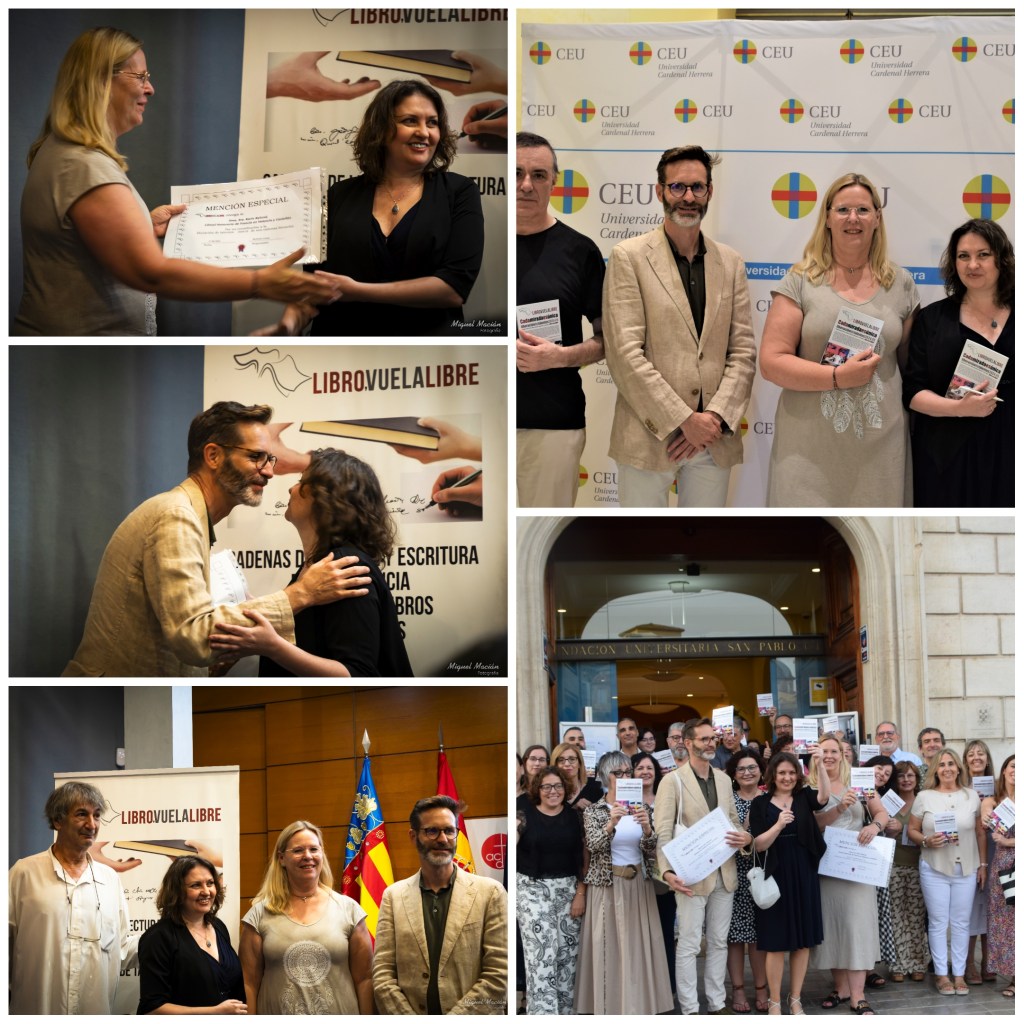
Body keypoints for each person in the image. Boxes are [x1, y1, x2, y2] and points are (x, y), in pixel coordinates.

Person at [14, 28, 339, 336]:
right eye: (140, 76)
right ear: (99, 80)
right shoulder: (82, 164)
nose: (150, 88)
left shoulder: (66, 154)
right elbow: (148, 272)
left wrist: (142, 225)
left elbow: (86, 243)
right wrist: (258, 283)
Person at [62, 402, 368, 676]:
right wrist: (300, 594)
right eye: (256, 457)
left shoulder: (190, 518)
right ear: (213, 455)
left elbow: (179, 641)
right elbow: (193, 636)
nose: (269, 472)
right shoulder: (176, 516)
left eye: (270, 459)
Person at [264, 79, 483, 337]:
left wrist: (357, 291)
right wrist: (288, 326)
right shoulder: (337, 196)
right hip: (341, 355)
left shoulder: (459, 192)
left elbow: (454, 289)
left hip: (428, 361)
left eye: (432, 122)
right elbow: (314, 288)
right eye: (410, 120)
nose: (424, 132)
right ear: (381, 129)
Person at [603, 145, 756, 507]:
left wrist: (712, 420)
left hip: (712, 440)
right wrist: (683, 419)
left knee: (701, 542)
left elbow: (744, 353)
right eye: (677, 187)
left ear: (709, 192)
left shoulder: (731, 263)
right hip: (648, 435)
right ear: (660, 191)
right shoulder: (629, 257)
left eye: (697, 187)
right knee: (642, 546)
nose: (688, 197)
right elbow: (625, 355)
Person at [760, 172, 920, 507]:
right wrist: (835, 377)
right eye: (843, 210)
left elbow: (908, 368)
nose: (853, 219)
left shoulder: (901, 284)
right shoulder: (800, 280)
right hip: (808, 450)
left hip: (881, 449)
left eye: (863, 210)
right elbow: (772, 363)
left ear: (877, 218)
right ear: (828, 218)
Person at [208, 449, 412, 676]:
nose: (291, 488)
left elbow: (357, 674)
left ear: (326, 497)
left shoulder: (344, 568)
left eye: (301, 481)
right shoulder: (317, 568)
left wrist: (273, 647)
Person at [515, 131, 605, 507]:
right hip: (482, 414)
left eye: (538, 174)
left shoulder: (580, 252)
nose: (526, 184)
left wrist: (559, 357)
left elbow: (608, 341)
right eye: (517, 172)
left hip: (551, 423)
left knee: (537, 533)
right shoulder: (480, 244)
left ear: (555, 181)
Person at [902, 218, 1014, 507]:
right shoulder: (932, 319)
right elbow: (913, 391)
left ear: (1002, 259)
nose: (972, 265)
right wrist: (959, 409)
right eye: (963, 256)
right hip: (947, 456)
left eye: (983, 255)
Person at [374, 795, 507, 1014]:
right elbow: (382, 974)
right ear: (413, 836)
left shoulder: (490, 893)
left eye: (449, 830)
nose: (443, 839)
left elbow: (500, 974)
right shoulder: (393, 896)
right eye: (432, 831)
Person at [9, 782, 133, 1013]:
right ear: (58, 821)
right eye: (81, 814)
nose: (92, 824)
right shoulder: (23, 873)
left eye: (97, 816)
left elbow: (122, 945)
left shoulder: (109, 879)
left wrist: (174, 935)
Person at [654, 717, 750, 1015]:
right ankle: (690, 1009)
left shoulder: (723, 778)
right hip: (690, 875)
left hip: (725, 872)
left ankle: (717, 1003)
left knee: (719, 942)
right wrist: (667, 872)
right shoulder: (672, 781)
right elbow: (663, 832)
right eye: (705, 739)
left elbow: (732, 820)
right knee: (690, 944)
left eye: (713, 739)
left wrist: (745, 836)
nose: (711, 743)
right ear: (687, 742)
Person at [574, 751, 674, 1013]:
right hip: (607, 886)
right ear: (607, 777)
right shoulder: (595, 811)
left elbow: (651, 848)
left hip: (639, 885)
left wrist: (648, 829)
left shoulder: (643, 808)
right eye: (619, 773)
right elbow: (594, 846)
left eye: (628, 772)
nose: (625, 777)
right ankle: (609, 1006)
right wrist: (612, 822)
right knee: (608, 947)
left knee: (639, 947)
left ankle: (640, 1005)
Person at [239, 820, 372, 1013]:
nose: (307, 856)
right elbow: (249, 983)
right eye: (298, 850)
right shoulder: (259, 915)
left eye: (313, 849)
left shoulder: (349, 910)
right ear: (282, 858)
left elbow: (365, 980)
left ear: (322, 854)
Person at [809, 734, 890, 1015]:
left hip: (859, 866)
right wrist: (840, 807)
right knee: (834, 927)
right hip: (827, 867)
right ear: (816, 755)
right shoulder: (808, 785)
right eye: (824, 751)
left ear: (843, 755)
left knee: (857, 928)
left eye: (834, 751)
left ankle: (858, 995)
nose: (829, 756)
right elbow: (814, 825)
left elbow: (882, 813)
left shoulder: (860, 780)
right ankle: (840, 988)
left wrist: (875, 827)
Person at [748, 749, 830, 1015]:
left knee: (802, 941)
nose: (787, 777)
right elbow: (758, 845)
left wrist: (819, 764)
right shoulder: (760, 804)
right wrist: (779, 825)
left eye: (792, 772)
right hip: (775, 874)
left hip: (803, 872)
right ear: (773, 774)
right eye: (782, 772)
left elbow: (824, 797)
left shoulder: (804, 797)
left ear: (799, 775)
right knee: (775, 942)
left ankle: (795, 999)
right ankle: (774, 1000)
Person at [907, 747, 987, 997]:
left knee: (962, 923)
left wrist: (983, 865)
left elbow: (979, 832)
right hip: (934, 867)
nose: (947, 768)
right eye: (942, 765)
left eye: (951, 764)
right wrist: (925, 841)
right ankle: (942, 975)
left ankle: (960, 974)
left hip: (966, 867)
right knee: (939, 922)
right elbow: (912, 829)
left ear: (959, 768)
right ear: (935, 770)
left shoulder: (972, 796)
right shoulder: (924, 796)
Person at [515, 767, 585, 1014]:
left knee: (567, 959)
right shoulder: (523, 816)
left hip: (569, 891)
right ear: (538, 790)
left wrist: (580, 892)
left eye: (557, 786)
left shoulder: (576, 817)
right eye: (546, 786)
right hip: (531, 891)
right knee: (541, 958)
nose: (552, 791)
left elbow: (583, 858)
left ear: (565, 788)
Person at [138, 855, 245, 1014]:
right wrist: (214, 1012)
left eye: (210, 883)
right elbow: (152, 1008)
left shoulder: (219, 927)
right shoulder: (158, 938)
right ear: (176, 891)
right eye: (196, 885)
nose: (206, 892)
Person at [725, 747, 770, 1014]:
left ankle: (762, 989)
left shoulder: (770, 798)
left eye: (752, 767)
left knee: (759, 936)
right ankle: (738, 989)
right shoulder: (727, 801)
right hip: (734, 873)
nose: (747, 772)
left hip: (764, 873)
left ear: (761, 771)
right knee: (735, 937)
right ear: (734, 774)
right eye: (741, 768)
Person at [882, 760, 930, 983]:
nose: (906, 779)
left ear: (916, 778)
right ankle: (898, 964)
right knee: (896, 916)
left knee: (916, 916)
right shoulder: (888, 803)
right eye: (901, 776)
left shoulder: (923, 802)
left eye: (910, 775)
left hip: (919, 865)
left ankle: (918, 963)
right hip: (892, 866)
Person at [861, 756, 896, 989]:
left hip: (877, 860)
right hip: (854, 858)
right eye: (879, 768)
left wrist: (894, 826)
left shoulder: (886, 799)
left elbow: (891, 829)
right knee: (859, 915)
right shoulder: (857, 787)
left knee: (874, 914)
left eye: (887, 773)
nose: (882, 774)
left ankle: (869, 967)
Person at [982, 755, 1015, 999]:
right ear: (1004, 771)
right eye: (1013, 766)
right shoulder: (994, 801)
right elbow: (984, 821)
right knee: (1006, 922)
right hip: (1002, 865)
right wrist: (986, 815)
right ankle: (1014, 976)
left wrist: (1009, 841)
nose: (1017, 771)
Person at [964, 739, 997, 983]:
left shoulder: (999, 787)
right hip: (968, 849)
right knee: (970, 908)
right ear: (965, 760)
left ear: (987, 759)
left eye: (981, 753)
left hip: (995, 848)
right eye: (971, 754)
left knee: (989, 908)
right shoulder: (959, 786)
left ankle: (988, 961)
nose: (976, 758)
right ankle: (967, 964)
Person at [551, 741, 602, 810]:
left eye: (572, 759)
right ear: (555, 764)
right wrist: (574, 807)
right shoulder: (550, 792)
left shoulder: (594, 791)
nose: (567, 764)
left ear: (579, 764)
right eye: (561, 760)